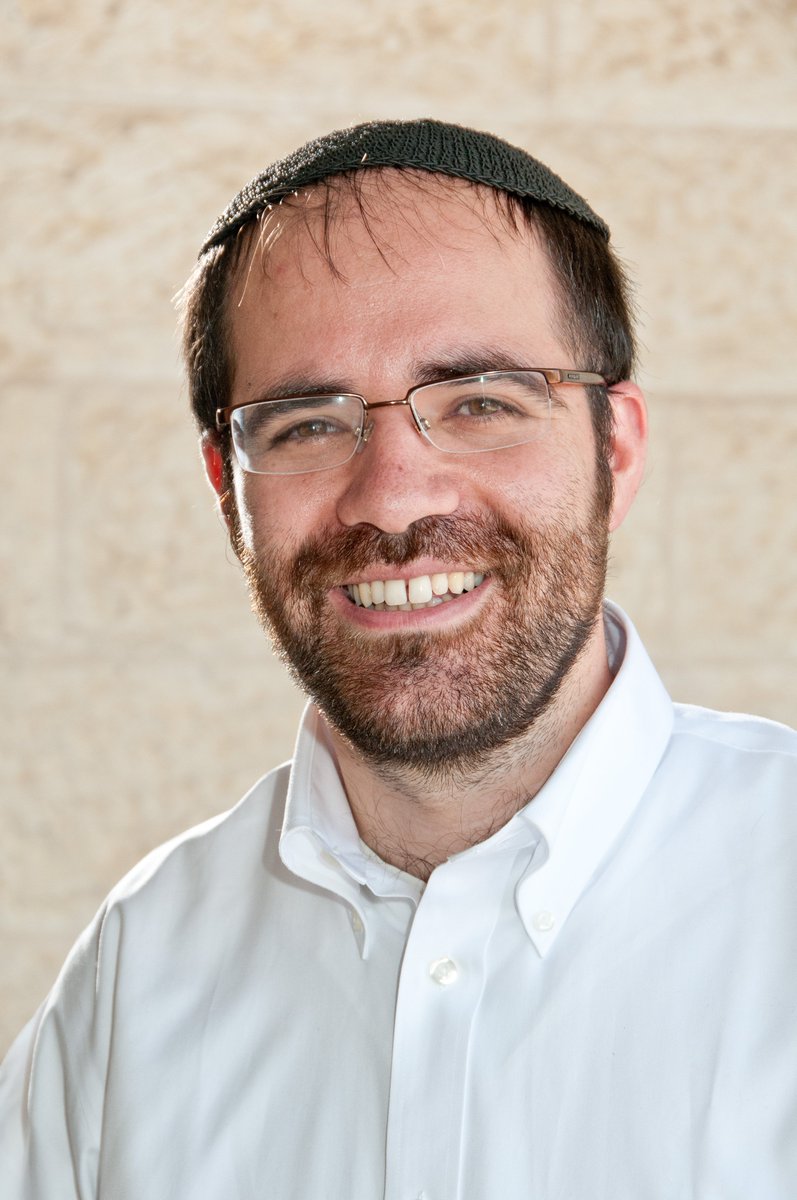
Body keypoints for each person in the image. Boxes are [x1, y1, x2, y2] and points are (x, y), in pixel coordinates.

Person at [2, 118, 796, 1199]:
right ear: (226, 489)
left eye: (480, 403)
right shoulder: (140, 969)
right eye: (304, 424)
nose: (390, 497)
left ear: (614, 448)